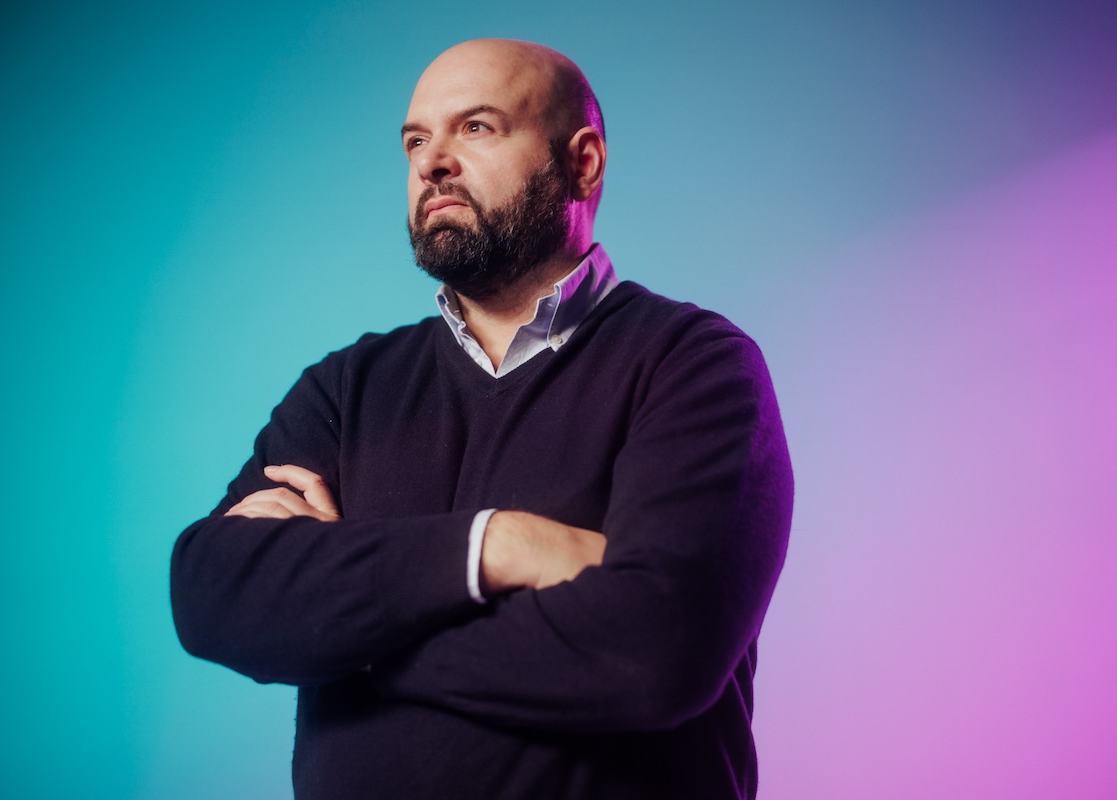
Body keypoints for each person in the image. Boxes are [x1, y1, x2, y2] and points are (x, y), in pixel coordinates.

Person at [170, 38, 794, 800]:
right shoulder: (344, 389)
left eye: (476, 128)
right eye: (415, 141)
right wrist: (499, 542)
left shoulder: (692, 365)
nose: (431, 162)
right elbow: (211, 596)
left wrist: (352, 629)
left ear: (583, 162)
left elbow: (655, 649)